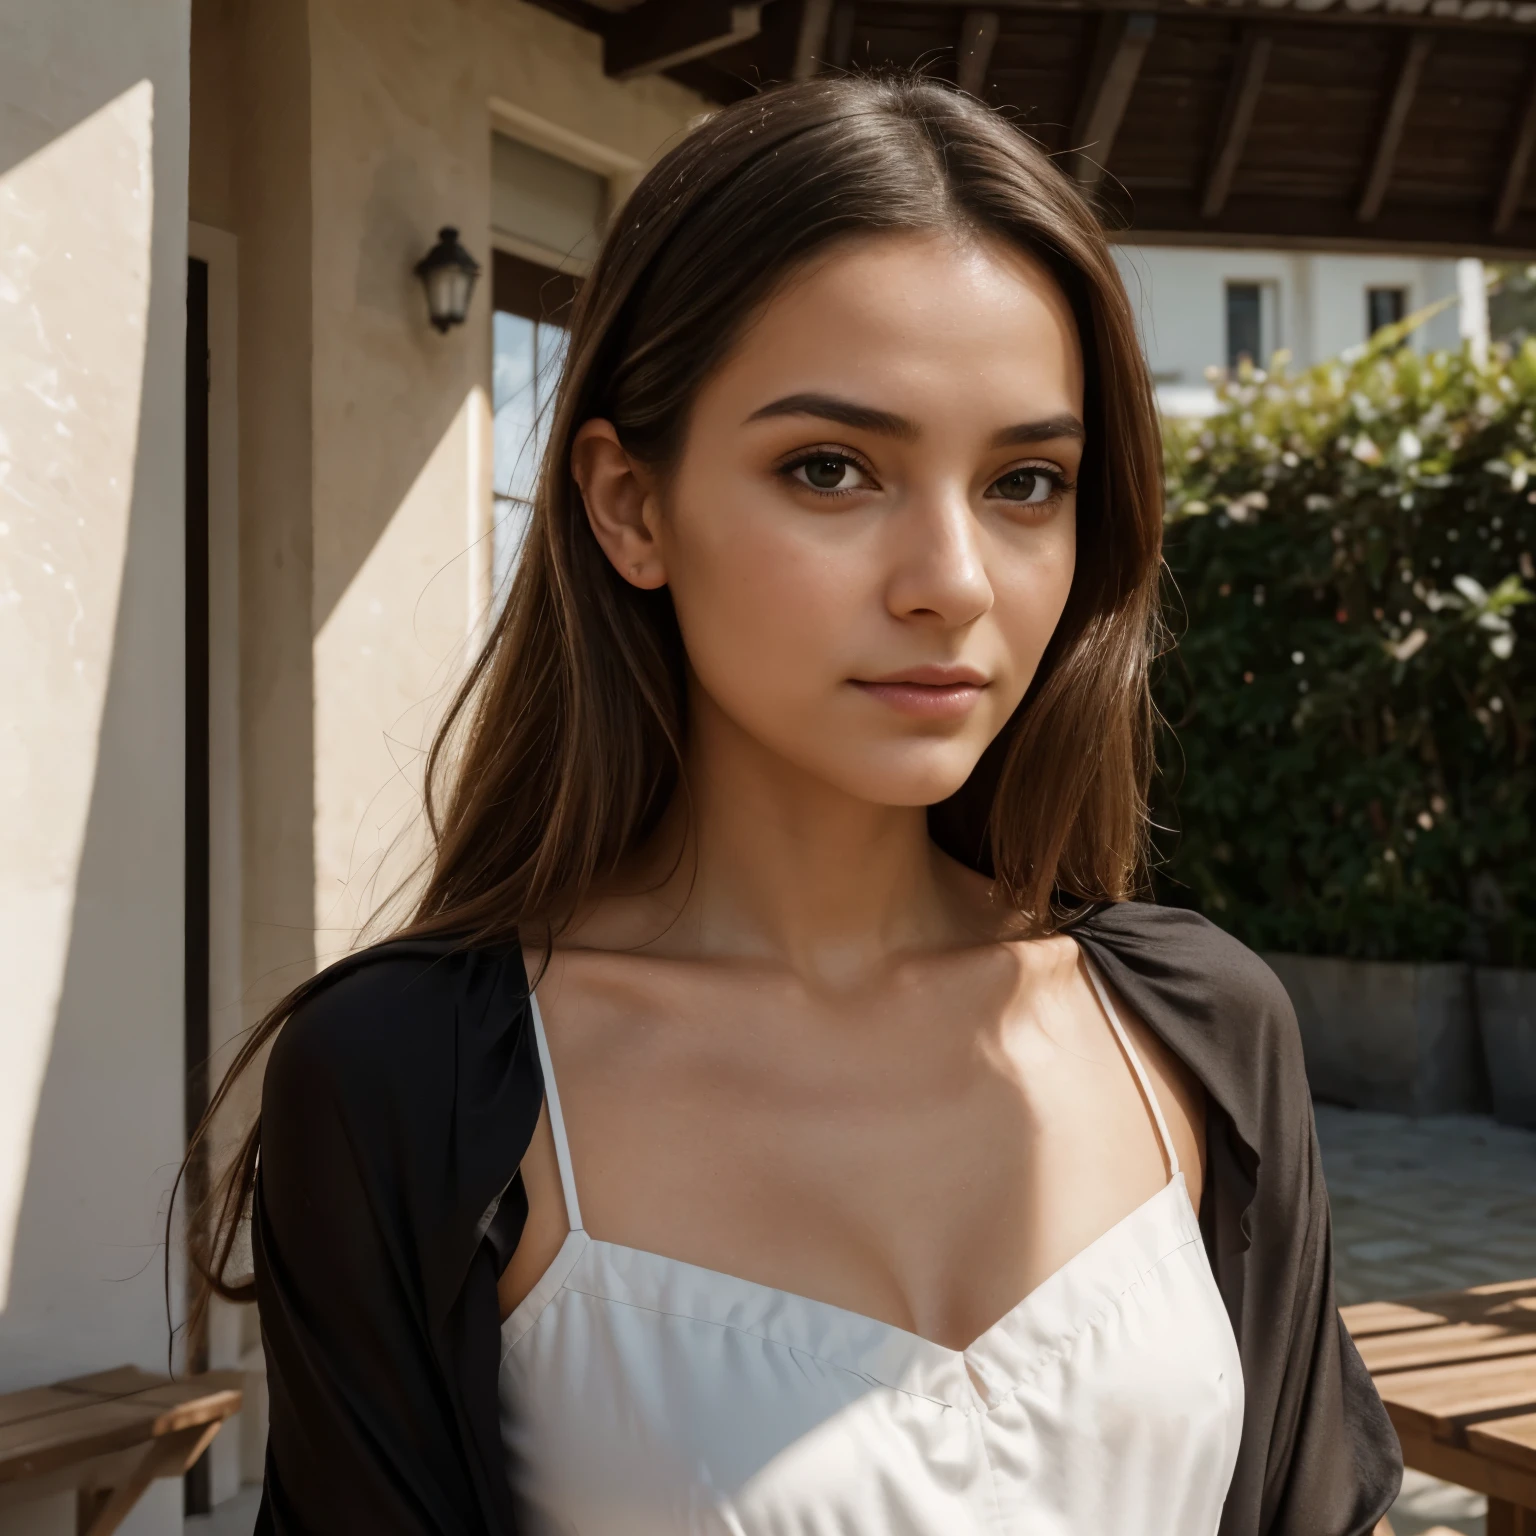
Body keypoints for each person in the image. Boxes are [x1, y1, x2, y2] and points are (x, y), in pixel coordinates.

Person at [191, 73, 1401, 1536]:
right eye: (831, 470)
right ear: (630, 505)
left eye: (1026, 481)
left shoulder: (1202, 1030)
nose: (952, 580)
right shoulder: (413, 1081)